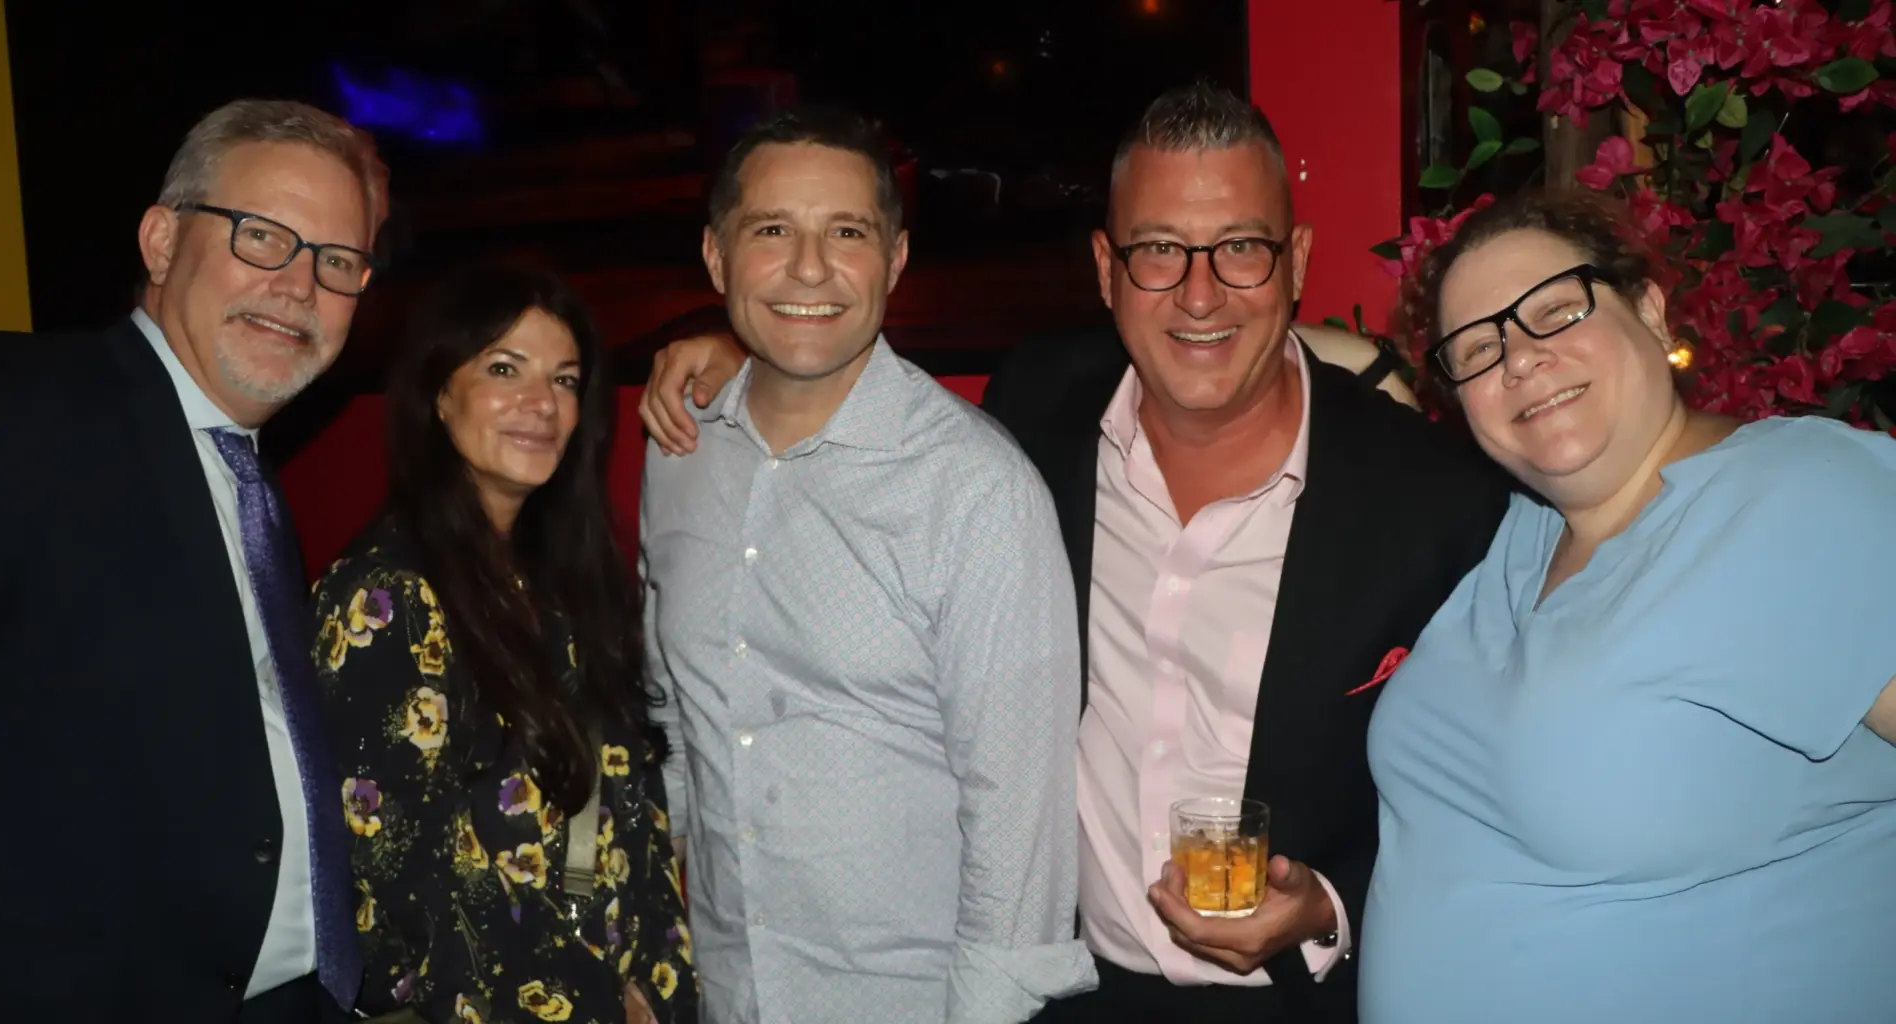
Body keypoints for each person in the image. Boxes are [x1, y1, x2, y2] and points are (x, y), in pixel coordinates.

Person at [638, 84, 1513, 1024]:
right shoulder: (1037, 410)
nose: (1201, 292)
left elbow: (1493, 787)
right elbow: (826, 371)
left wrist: (1333, 902)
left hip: (1295, 999)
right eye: (1158, 252)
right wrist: (744, 351)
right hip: (1073, 993)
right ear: (1105, 268)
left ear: (1295, 260)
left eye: (1241, 249)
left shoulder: (1430, 499)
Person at [1361, 189, 1896, 1023]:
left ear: (1649, 309)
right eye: (1476, 347)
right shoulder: (1516, 540)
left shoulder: (1797, 496)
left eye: (1554, 311)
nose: (1520, 360)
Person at [639, 105, 1095, 1023]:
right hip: (723, 993)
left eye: (846, 232)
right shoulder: (680, 450)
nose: (810, 268)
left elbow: (1021, 822)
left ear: (892, 260)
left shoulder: (977, 489)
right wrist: (653, 946)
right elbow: (678, 727)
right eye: (773, 231)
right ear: (717, 259)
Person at [0, 99, 387, 1020]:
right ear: (161, 242)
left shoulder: (244, 476)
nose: (297, 286)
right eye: (261, 236)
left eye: (336, 262)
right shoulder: (11, 411)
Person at [309, 265, 696, 1023]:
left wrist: (659, 983)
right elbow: (399, 877)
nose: (541, 404)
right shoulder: (388, 599)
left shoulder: (570, 586)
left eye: (565, 379)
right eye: (503, 369)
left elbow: (636, 810)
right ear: (437, 395)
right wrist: (595, 999)